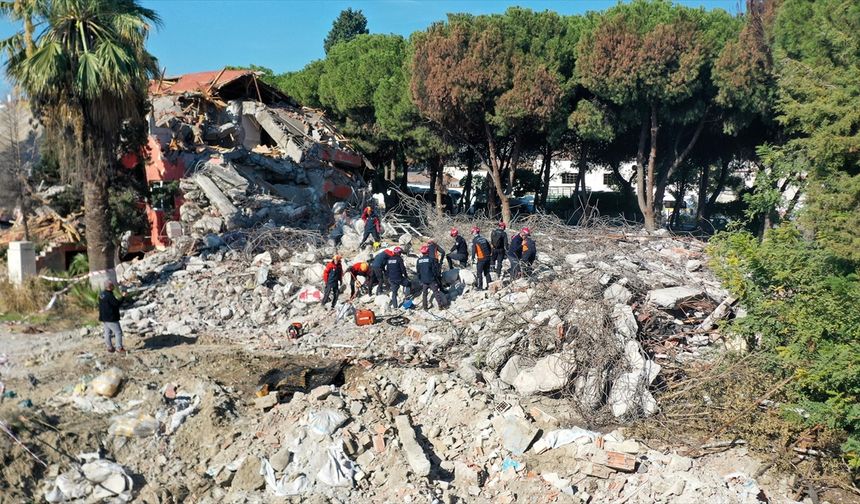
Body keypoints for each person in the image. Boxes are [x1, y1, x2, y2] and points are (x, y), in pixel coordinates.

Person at [98, 281, 125, 353]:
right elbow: (117, 304)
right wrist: (123, 297)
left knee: (107, 332)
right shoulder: (109, 296)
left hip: (104, 318)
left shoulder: (101, 294)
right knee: (118, 332)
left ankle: (109, 347)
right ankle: (119, 348)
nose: (114, 287)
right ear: (110, 287)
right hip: (111, 318)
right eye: (112, 285)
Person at [417, 244, 446, 310]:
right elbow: (434, 270)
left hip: (424, 280)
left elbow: (418, 271)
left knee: (424, 294)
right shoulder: (431, 259)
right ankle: (440, 306)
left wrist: (420, 280)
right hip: (431, 280)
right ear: (428, 251)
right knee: (436, 292)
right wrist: (436, 277)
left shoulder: (419, 260)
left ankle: (425, 307)